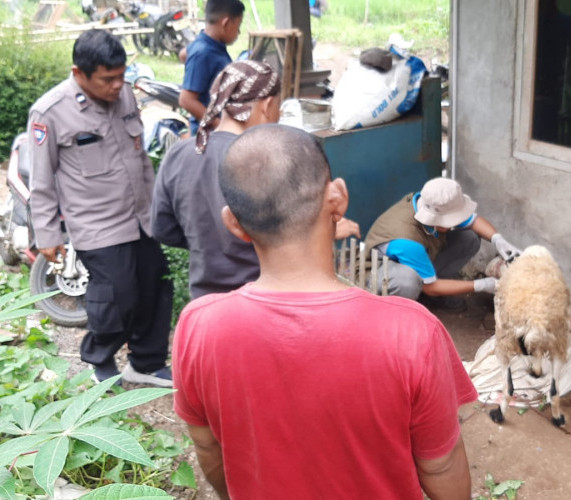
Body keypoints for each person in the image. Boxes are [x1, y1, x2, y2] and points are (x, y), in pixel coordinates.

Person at [172, 124, 476, 499]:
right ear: (338, 198)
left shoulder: (199, 327)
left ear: (234, 223)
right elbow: (441, 465)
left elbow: (207, 448)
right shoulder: (412, 333)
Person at [27, 30, 173, 387]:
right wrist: (46, 234)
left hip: (139, 216)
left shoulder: (124, 95)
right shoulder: (50, 112)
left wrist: (158, 211)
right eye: (108, 79)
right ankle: (99, 359)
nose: (117, 85)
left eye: (121, 76)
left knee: (156, 284)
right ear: (79, 73)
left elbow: (139, 161)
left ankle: (147, 362)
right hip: (97, 223)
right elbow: (42, 182)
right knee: (117, 294)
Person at [152, 60, 360, 299]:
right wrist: (327, 228)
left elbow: (163, 229)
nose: (278, 114)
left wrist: (207, 242)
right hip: (266, 300)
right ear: (267, 105)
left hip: (207, 301)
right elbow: (292, 230)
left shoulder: (179, 154)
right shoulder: (270, 160)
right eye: (277, 106)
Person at [363, 177, 522, 304]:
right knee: (408, 281)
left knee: (469, 238)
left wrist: (497, 239)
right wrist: (480, 285)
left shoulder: (432, 202)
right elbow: (430, 287)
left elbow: (473, 221)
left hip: (416, 258)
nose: (456, 222)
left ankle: (435, 296)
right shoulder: (407, 241)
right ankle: (401, 313)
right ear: (436, 219)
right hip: (380, 271)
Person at [179, 0, 244, 135]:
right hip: (209, 136)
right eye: (238, 26)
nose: (239, 32)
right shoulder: (203, 53)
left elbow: (183, 54)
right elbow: (186, 100)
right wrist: (218, 124)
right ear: (226, 23)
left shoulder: (210, 44)